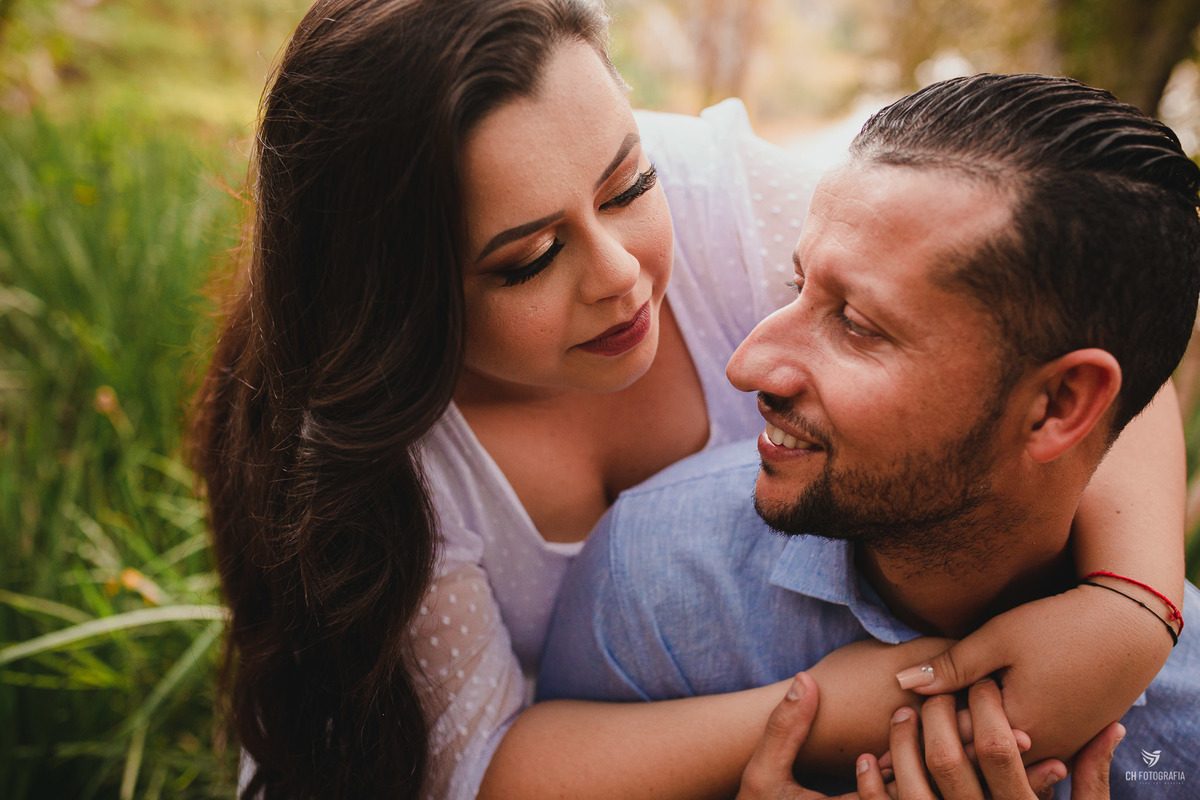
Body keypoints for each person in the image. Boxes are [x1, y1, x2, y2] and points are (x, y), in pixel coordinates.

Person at [189, 0, 1189, 795]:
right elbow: (485, 772)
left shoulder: (724, 201)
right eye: (530, 257)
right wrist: (835, 705)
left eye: (628, 184)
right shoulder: (386, 457)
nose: (621, 272)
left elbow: (1076, 308)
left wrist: (1132, 609)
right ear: (401, 300)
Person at [538, 73, 1200, 799]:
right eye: (796, 287)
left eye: (856, 325)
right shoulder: (654, 583)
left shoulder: (1184, 721)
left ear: (1058, 407)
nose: (747, 366)